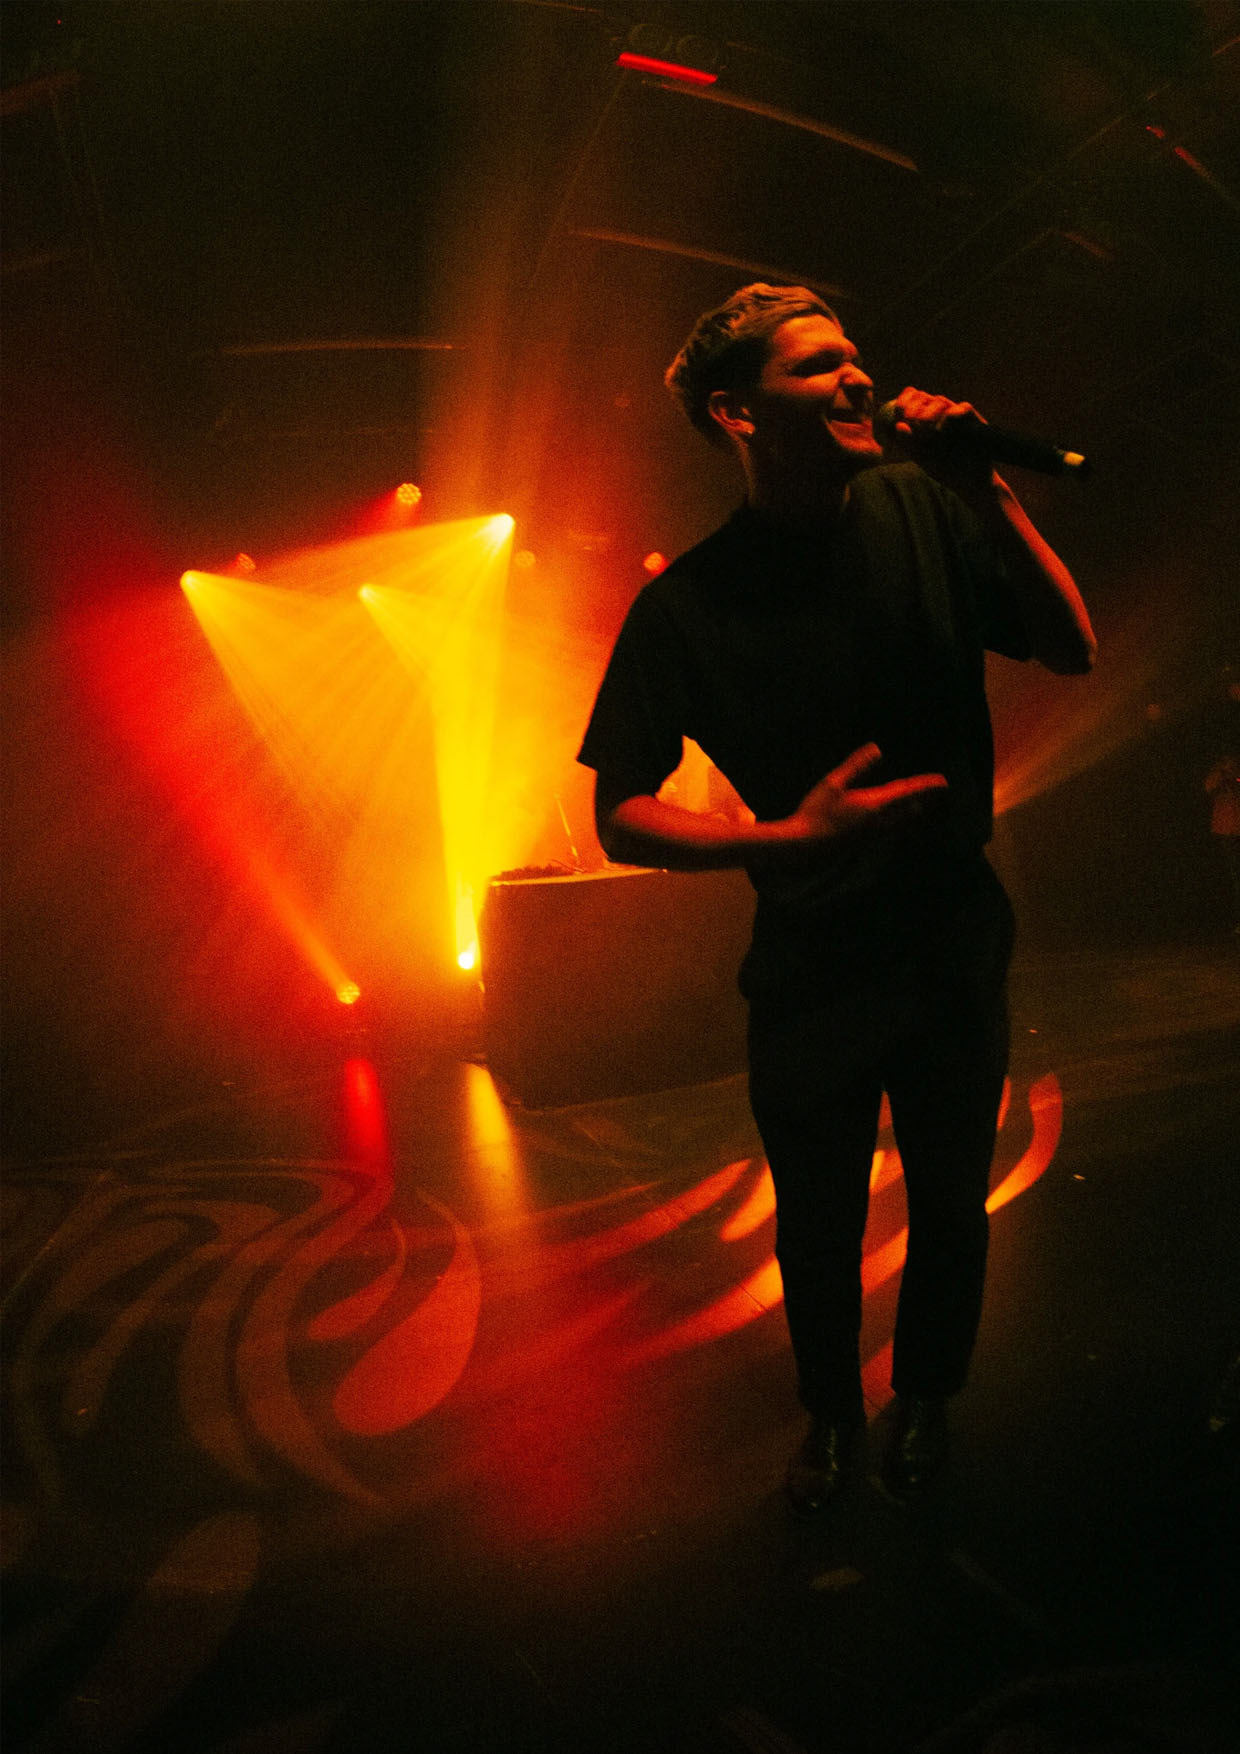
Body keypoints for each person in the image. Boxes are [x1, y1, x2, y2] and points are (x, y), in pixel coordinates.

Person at [577, 284, 1096, 1511]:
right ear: (736, 412)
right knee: (815, 1213)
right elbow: (619, 809)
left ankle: (926, 1397)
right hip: (813, 952)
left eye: (855, 355)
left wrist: (986, 486)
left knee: (951, 1196)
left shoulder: (928, 505)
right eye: (816, 366)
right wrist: (784, 836)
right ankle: (828, 1414)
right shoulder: (686, 603)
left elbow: (1070, 645)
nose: (858, 376)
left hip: (951, 927)